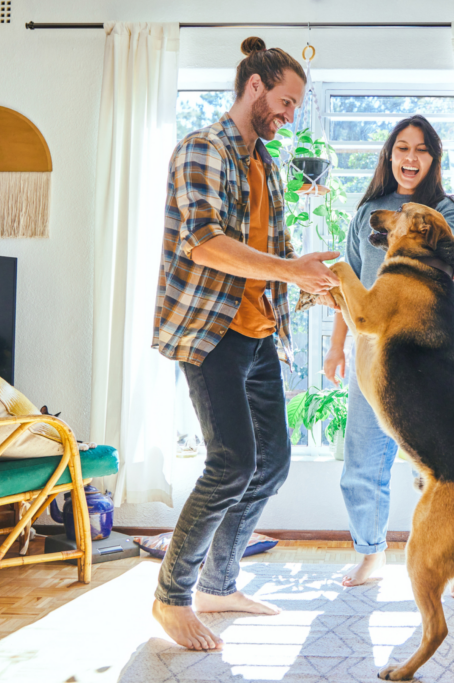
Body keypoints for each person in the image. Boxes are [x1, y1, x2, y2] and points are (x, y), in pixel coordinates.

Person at [151, 37, 340, 652]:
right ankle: (171, 596)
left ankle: (218, 583)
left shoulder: (268, 165)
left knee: (273, 461)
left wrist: (317, 283)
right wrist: (290, 271)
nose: (289, 116)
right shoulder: (201, 149)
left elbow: (274, 257)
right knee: (230, 460)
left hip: (258, 334)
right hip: (210, 331)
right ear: (254, 86)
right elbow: (204, 242)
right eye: (285, 102)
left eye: (295, 107)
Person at [322, 115, 454, 598]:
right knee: (363, 459)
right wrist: (334, 346)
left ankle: (452, 555)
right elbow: (347, 287)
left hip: (430, 352)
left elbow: (438, 266)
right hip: (373, 353)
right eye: (402, 148)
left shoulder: (448, 213)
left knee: (435, 462)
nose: (411, 158)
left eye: (421, 149)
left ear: (434, 158)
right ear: (390, 155)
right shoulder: (368, 210)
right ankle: (371, 552)